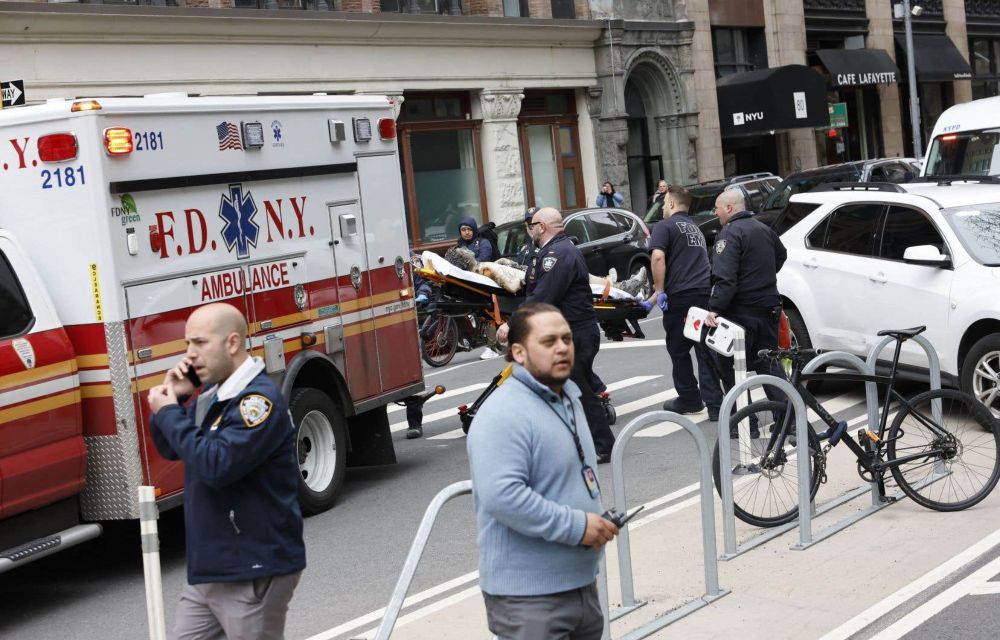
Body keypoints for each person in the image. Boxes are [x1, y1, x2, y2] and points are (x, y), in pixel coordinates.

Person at [147, 303, 305, 640]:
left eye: (200, 343)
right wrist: (174, 401)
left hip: (252, 568)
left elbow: (216, 465)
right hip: (215, 568)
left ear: (232, 343)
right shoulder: (214, 396)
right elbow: (174, 447)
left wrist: (170, 413)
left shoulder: (257, 403)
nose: (190, 356)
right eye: (187, 345)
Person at [467, 303, 619, 640]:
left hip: (581, 587)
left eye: (566, 338)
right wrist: (578, 526)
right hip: (530, 600)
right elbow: (502, 497)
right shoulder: (503, 413)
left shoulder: (569, 397)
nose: (563, 347)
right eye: (548, 341)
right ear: (519, 353)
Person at [496, 207, 616, 462]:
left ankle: (603, 445)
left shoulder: (557, 254)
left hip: (575, 332)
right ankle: (582, 442)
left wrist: (512, 323)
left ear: (543, 227)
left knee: (578, 391)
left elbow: (544, 296)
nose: (530, 230)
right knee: (568, 390)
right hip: (573, 331)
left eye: (533, 225)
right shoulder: (554, 251)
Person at [706, 189, 788, 433]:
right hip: (768, 307)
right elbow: (781, 256)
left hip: (740, 313)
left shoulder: (729, 234)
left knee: (731, 367)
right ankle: (787, 420)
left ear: (729, 208)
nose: (716, 213)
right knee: (768, 364)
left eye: (718, 208)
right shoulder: (764, 229)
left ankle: (744, 423)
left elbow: (725, 279)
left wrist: (715, 309)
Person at [646, 186, 724, 421]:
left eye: (663, 203)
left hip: (681, 298)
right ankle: (715, 404)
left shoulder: (665, 226)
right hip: (702, 293)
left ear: (671, 203)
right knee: (704, 349)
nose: (662, 208)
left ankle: (690, 398)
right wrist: (650, 300)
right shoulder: (695, 229)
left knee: (678, 350)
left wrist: (659, 291)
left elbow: (658, 257)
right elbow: (686, 265)